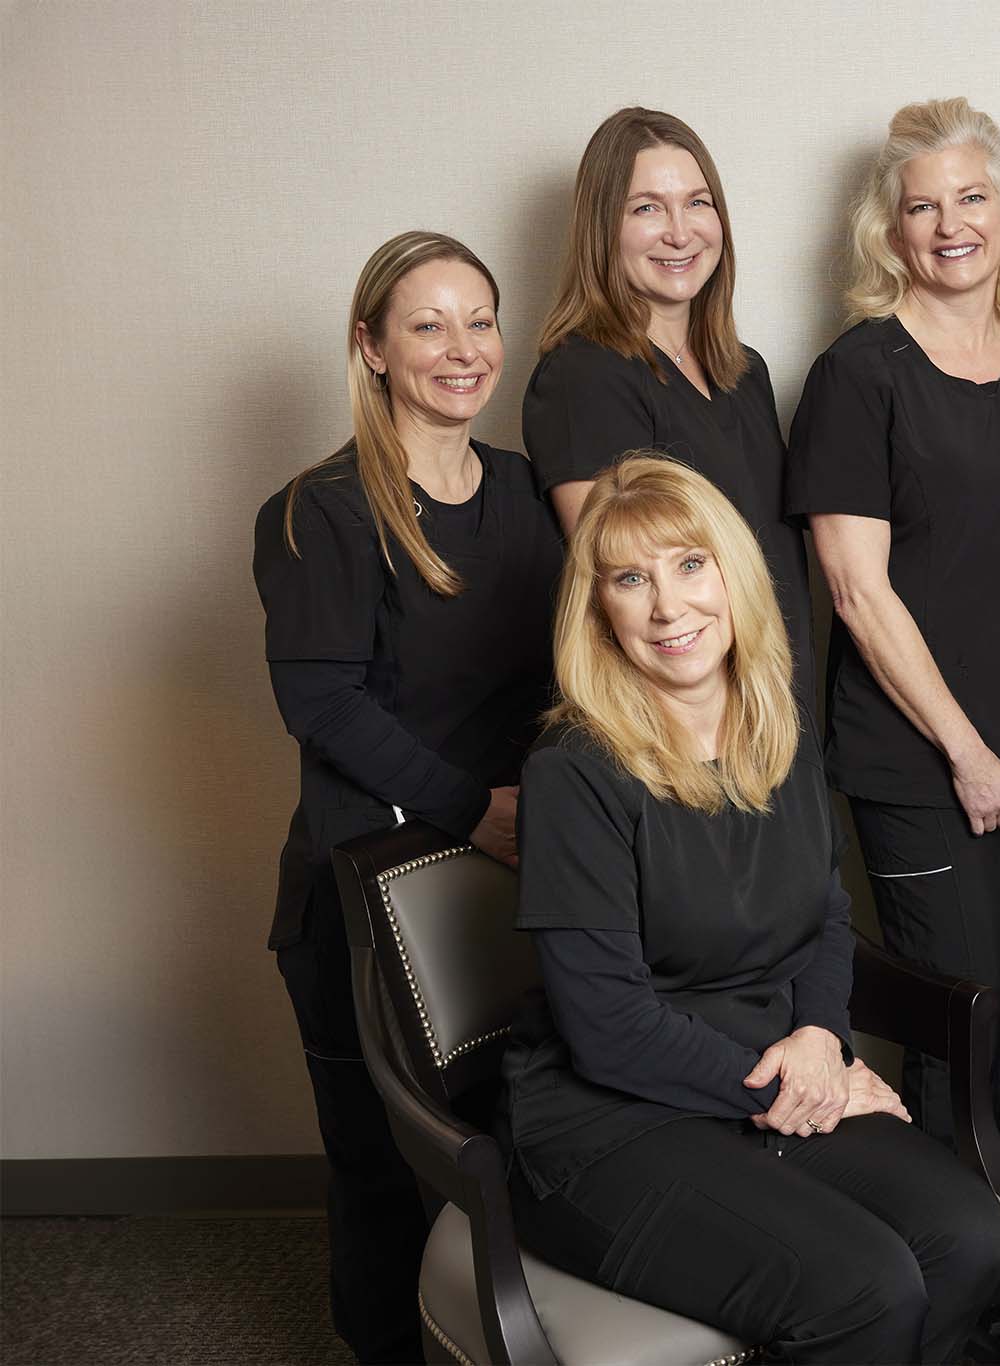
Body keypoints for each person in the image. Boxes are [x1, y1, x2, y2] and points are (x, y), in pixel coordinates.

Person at [498, 456, 1000, 1364]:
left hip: (767, 1075)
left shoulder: (778, 730)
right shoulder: (575, 771)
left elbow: (823, 916)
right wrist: (805, 1087)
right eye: (630, 579)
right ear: (600, 613)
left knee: (965, 1235)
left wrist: (820, 1041)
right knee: (865, 1289)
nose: (668, 607)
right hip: (613, 1123)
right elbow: (608, 1029)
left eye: (690, 566)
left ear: (733, 575)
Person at [252, 231, 560, 1362]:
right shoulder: (317, 514)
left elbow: (567, 670)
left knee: (505, 1146)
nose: (462, 348)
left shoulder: (525, 491)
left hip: (510, 874)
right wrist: (474, 809)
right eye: (426, 325)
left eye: (478, 319)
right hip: (369, 890)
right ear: (370, 346)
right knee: (384, 1168)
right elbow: (325, 708)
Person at [786, 97, 1000, 1144]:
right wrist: (967, 754)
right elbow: (856, 590)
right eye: (921, 206)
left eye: (971, 197)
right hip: (915, 764)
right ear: (890, 233)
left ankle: (985, 1242)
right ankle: (942, 1281)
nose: (949, 223)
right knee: (952, 1021)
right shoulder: (856, 375)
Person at [524, 107, 814, 704]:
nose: (680, 232)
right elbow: (625, 593)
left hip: (781, 704)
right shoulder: (583, 377)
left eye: (698, 203)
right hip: (688, 726)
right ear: (603, 229)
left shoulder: (744, 371)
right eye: (647, 208)